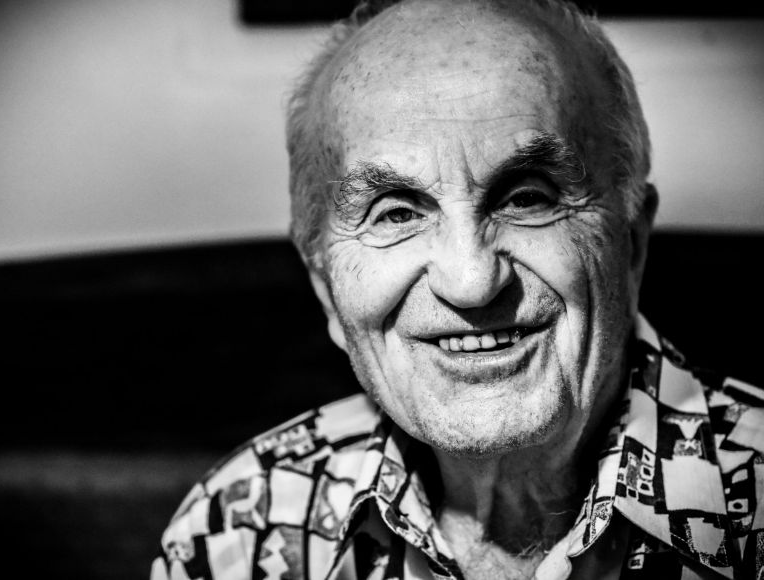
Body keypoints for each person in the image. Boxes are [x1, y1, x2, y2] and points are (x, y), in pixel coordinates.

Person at [152, 1, 763, 578]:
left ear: (632, 244)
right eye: (396, 214)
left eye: (527, 199)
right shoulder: (239, 530)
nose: (471, 282)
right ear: (325, 288)